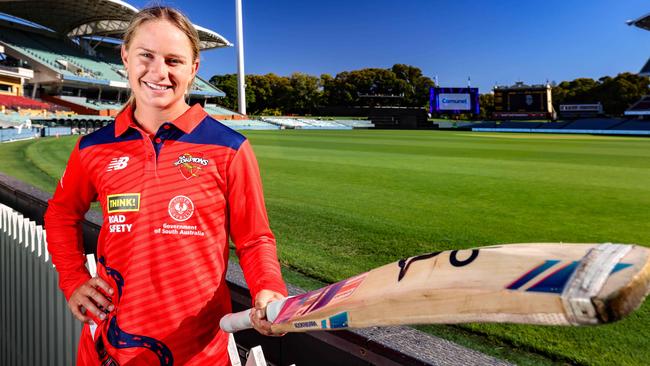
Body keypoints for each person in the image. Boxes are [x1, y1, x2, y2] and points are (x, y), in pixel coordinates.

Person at [44, 6, 287, 365]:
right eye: (146, 56)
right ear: (126, 56)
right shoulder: (92, 148)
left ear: (194, 68)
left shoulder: (230, 148)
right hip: (106, 350)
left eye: (174, 60)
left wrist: (268, 288)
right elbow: (61, 213)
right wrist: (72, 278)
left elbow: (254, 239)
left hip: (197, 353)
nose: (159, 72)